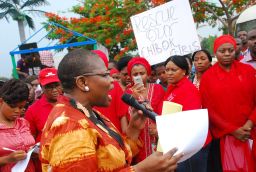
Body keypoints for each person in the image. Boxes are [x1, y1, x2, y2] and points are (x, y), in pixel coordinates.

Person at [40, 49, 183, 172]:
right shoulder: (68, 125)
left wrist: (133, 130)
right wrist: (141, 169)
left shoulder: (87, 112)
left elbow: (113, 159)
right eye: (104, 75)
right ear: (82, 82)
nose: (112, 82)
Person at [200, 35, 256, 172]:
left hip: (251, 132)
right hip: (224, 137)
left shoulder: (248, 71)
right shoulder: (207, 78)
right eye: (222, 51)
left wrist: (249, 124)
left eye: (230, 50)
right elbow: (209, 110)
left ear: (235, 50)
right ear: (215, 52)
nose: (227, 54)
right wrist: (233, 130)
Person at [164, 55, 211, 172]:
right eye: (167, 69)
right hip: (181, 143)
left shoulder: (189, 90)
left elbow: (189, 120)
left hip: (192, 145)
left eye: (173, 70)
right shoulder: (173, 87)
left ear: (183, 71)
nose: (169, 73)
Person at [126, 57, 165, 163]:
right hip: (137, 138)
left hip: (156, 136)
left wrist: (158, 128)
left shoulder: (158, 89)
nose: (139, 77)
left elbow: (163, 112)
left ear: (148, 74)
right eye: (135, 74)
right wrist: (134, 96)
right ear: (130, 76)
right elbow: (127, 117)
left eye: (142, 73)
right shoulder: (127, 93)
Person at [0, 79, 35, 172]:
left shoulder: (23, 123)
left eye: (21, 107)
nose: (17, 111)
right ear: (1, 102)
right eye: (13, 106)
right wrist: (7, 159)